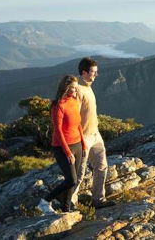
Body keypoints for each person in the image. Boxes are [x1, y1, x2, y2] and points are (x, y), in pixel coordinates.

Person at [38, 75, 87, 214]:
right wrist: (67, 152)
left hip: (77, 144)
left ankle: (66, 209)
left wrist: (83, 144)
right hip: (62, 146)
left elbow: (78, 124)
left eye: (76, 88)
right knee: (71, 180)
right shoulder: (58, 105)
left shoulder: (74, 101)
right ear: (65, 87)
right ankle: (45, 201)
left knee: (74, 180)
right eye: (72, 88)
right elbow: (58, 130)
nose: (75, 91)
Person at [71, 57, 115, 209]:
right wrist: (79, 138)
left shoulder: (88, 86)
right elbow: (72, 115)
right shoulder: (77, 89)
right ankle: (70, 202)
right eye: (93, 72)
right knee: (80, 172)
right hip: (83, 137)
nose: (96, 75)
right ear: (84, 72)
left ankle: (98, 199)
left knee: (102, 166)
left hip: (95, 134)